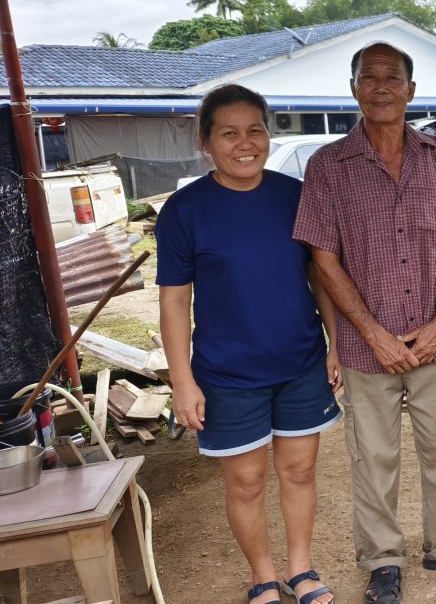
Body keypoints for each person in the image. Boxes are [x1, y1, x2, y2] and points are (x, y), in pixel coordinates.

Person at [293, 42, 436, 603]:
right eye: (369, 77)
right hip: (366, 347)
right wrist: (374, 335)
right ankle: (383, 559)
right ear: (353, 87)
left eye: (392, 77)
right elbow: (323, 259)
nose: (381, 86)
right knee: (373, 456)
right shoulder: (327, 166)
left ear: (411, 89)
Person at [158, 84, 341, 604]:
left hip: (301, 363)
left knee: (300, 470)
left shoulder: (294, 196)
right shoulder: (184, 210)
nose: (245, 143)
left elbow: (319, 277)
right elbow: (174, 303)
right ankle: (264, 575)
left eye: (255, 130)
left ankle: (301, 569)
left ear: (268, 133)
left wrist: (332, 344)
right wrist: (182, 381)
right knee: (246, 482)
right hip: (227, 373)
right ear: (206, 142)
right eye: (229, 133)